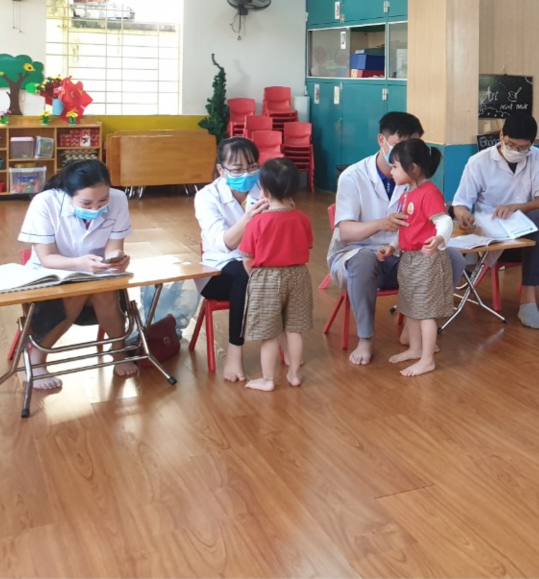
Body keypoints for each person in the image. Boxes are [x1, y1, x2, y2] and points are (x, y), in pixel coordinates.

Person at [327, 111, 465, 364]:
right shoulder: (353, 176)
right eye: (401, 143)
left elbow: (436, 221)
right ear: (382, 140)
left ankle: (418, 327)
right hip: (359, 255)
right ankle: (366, 339)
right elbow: (345, 232)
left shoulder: (416, 181)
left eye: (414, 144)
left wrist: (434, 239)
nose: (407, 151)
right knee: (364, 260)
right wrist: (382, 224)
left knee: (452, 259)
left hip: (404, 255)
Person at [17, 159, 135, 389]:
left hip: (96, 273)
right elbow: (47, 258)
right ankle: (37, 360)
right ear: (68, 193)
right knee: (78, 291)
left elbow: (114, 247)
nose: (95, 209)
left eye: (103, 201)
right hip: (51, 274)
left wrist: (117, 258)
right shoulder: (46, 202)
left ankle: (119, 353)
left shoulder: (118, 199)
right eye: (86, 203)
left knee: (104, 291)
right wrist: (78, 264)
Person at [453, 114, 539, 329]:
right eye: (511, 145)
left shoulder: (536, 156)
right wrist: (465, 217)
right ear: (501, 136)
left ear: (531, 144)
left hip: (530, 235)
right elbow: (460, 204)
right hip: (498, 241)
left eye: (523, 148)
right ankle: (529, 302)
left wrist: (515, 207)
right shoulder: (479, 162)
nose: (516, 151)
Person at [376, 140, 455, 377]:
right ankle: (415, 349)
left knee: (425, 312)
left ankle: (427, 359)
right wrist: (392, 247)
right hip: (409, 259)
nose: (392, 171)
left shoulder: (429, 192)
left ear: (413, 168)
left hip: (426, 260)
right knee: (409, 306)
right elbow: (406, 227)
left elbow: (444, 220)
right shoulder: (407, 193)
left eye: (396, 167)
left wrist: (439, 238)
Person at [194, 136, 265, 382]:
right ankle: (235, 352)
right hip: (217, 272)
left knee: (287, 272)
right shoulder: (207, 196)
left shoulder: (264, 189)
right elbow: (225, 243)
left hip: (258, 265)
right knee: (242, 273)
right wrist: (249, 218)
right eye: (237, 169)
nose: (246, 174)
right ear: (221, 170)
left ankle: (285, 342)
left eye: (252, 166)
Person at [240, 158, 314, 391]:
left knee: (269, 334)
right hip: (299, 275)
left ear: (264, 191)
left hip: (266, 278)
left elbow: (247, 257)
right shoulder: (302, 218)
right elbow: (307, 246)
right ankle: (294, 374)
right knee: (294, 329)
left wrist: (255, 278)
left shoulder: (257, 222)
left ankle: (268, 380)